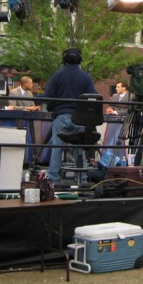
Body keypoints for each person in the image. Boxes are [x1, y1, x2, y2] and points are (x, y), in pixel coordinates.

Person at [46, 48, 98, 185]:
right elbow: (93, 98)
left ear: (63, 60)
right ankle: (82, 178)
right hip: (79, 119)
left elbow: (48, 97)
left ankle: (53, 179)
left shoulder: (57, 75)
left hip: (61, 116)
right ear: (80, 60)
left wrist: (53, 108)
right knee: (79, 148)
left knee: (57, 148)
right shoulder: (85, 77)